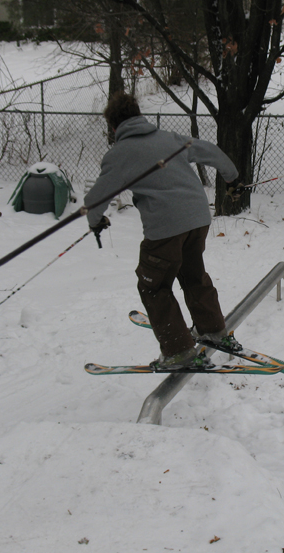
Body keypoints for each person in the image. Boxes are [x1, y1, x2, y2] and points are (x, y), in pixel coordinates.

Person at [84, 91, 243, 369]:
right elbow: (212, 152)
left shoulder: (118, 154)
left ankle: (178, 351)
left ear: (113, 126)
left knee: (153, 285)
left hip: (166, 229)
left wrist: (96, 221)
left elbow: (95, 199)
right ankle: (213, 329)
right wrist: (232, 179)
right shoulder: (170, 138)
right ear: (139, 116)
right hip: (197, 219)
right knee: (192, 273)